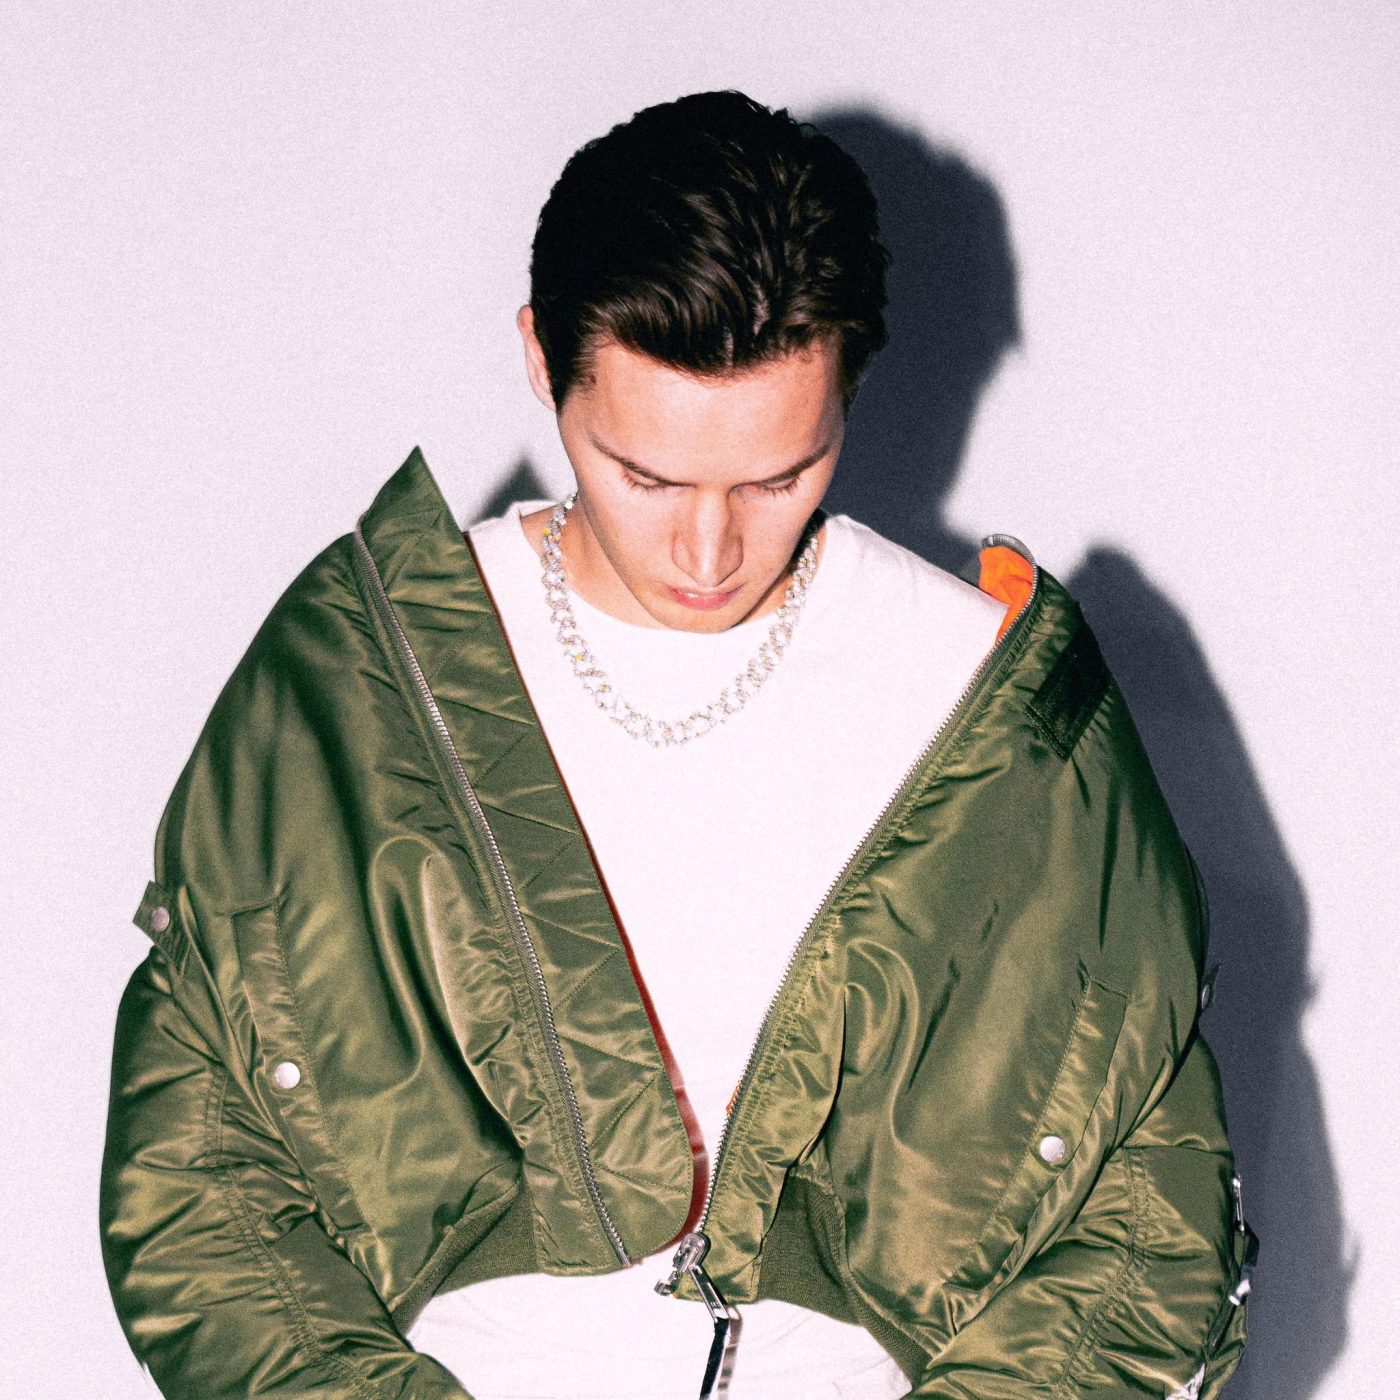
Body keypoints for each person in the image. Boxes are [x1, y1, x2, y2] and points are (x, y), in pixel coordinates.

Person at [100, 91, 1254, 1399]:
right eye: (644, 475)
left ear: (850, 388)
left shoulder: (990, 705)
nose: (709, 552)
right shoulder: (372, 678)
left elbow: (1142, 1217)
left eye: (778, 477)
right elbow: (203, 1172)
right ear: (540, 357)